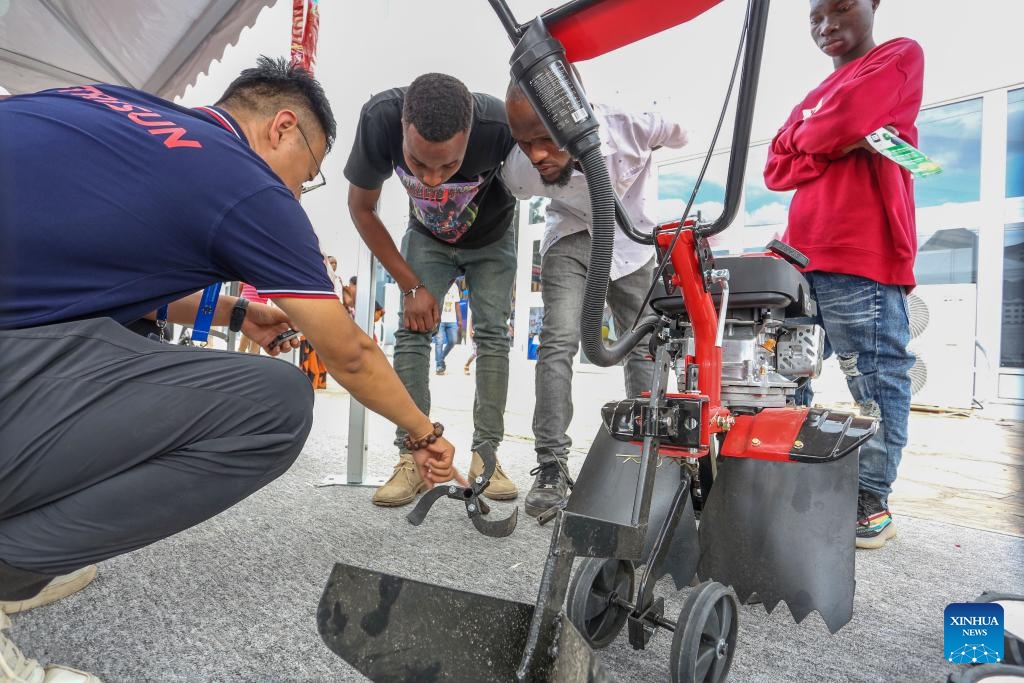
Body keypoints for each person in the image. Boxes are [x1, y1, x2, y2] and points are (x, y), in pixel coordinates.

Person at [0, 57, 460, 682]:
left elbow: (91, 277)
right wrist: (425, 435)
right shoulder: (245, 182)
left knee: (130, 326)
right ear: (282, 128)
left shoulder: (108, 103)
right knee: (275, 403)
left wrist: (237, 314)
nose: (298, 192)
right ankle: (8, 566)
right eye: (310, 173)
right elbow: (349, 352)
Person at [763, 0, 923, 549]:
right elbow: (773, 167)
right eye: (815, 16)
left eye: (841, 8)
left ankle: (870, 498)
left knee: (875, 379)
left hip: (864, 255)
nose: (826, 24)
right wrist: (834, 140)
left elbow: (845, 122)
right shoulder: (809, 98)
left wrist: (819, 136)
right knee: (785, 377)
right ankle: (792, 476)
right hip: (798, 260)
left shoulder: (899, 58)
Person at [501, 82, 688, 518]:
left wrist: (658, 132)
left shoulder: (627, 128)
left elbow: (682, 131)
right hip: (569, 238)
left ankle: (647, 456)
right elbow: (515, 181)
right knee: (558, 339)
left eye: (547, 138)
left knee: (645, 342)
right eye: (525, 142)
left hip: (632, 242)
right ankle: (550, 463)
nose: (537, 154)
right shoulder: (520, 169)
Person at [345, 73, 519, 507]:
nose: (435, 179)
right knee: (413, 331)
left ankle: (487, 457)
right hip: (426, 237)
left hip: (494, 236)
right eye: (419, 164)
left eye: (449, 165)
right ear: (402, 126)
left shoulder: (500, 125)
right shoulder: (379, 118)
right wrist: (411, 285)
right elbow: (361, 208)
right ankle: (413, 455)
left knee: (494, 335)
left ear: (471, 135)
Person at [432, 281, 463, 375]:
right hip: (439, 320)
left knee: (453, 341)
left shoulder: (454, 287)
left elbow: (456, 304)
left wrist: (460, 319)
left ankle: (440, 359)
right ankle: (439, 365)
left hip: (452, 320)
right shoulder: (438, 284)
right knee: (439, 342)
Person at [236, 282, 270, 354]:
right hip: (259, 306)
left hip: (248, 304)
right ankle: (252, 353)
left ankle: (242, 352)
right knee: (256, 331)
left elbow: (240, 286)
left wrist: (238, 298)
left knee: (248, 330)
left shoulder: (247, 273)